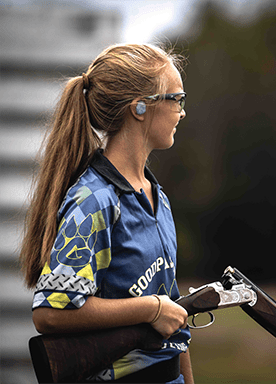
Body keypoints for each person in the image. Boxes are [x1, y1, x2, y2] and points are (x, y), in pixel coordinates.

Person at [20, 43, 193, 383]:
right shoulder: (95, 201)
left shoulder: (158, 197)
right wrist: (151, 308)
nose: (182, 112)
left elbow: (176, 322)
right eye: (177, 99)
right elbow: (50, 312)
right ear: (140, 108)